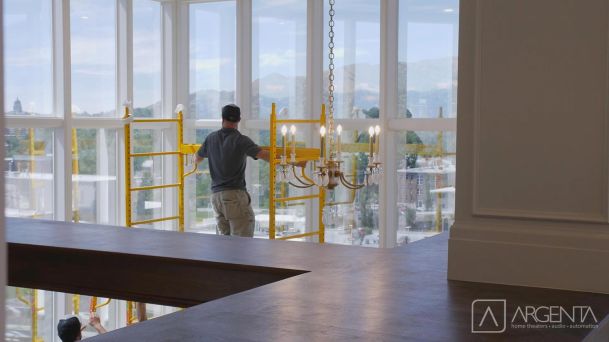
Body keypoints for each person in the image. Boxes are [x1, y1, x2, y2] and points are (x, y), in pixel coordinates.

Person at [194, 104, 270, 237]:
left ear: (222, 118)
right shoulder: (241, 140)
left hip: (216, 198)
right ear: (238, 120)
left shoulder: (211, 138)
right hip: (234, 196)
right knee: (242, 244)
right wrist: (293, 161)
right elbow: (264, 155)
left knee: (225, 246)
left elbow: (197, 158)